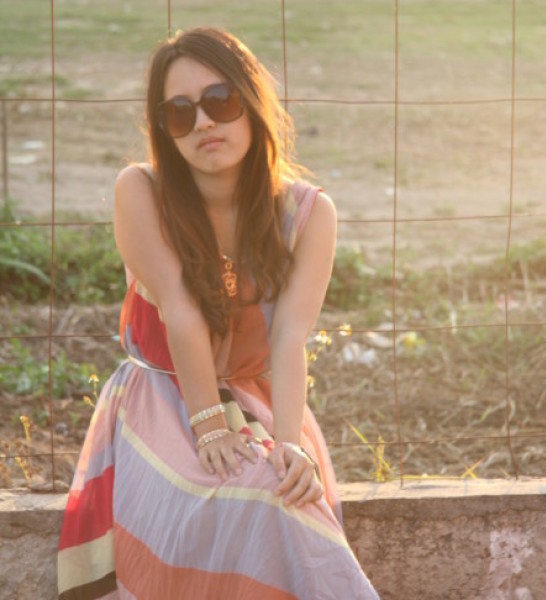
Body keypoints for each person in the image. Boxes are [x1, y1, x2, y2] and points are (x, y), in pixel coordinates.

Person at [57, 27, 379, 599]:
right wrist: (208, 426)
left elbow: (288, 338)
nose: (204, 123)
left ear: (251, 103)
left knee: (284, 488)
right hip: (164, 398)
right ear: (165, 130)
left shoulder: (307, 213)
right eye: (180, 114)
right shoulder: (141, 190)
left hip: (264, 403)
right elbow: (179, 307)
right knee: (249, 494)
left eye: (220, 101)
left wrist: (289, 444)